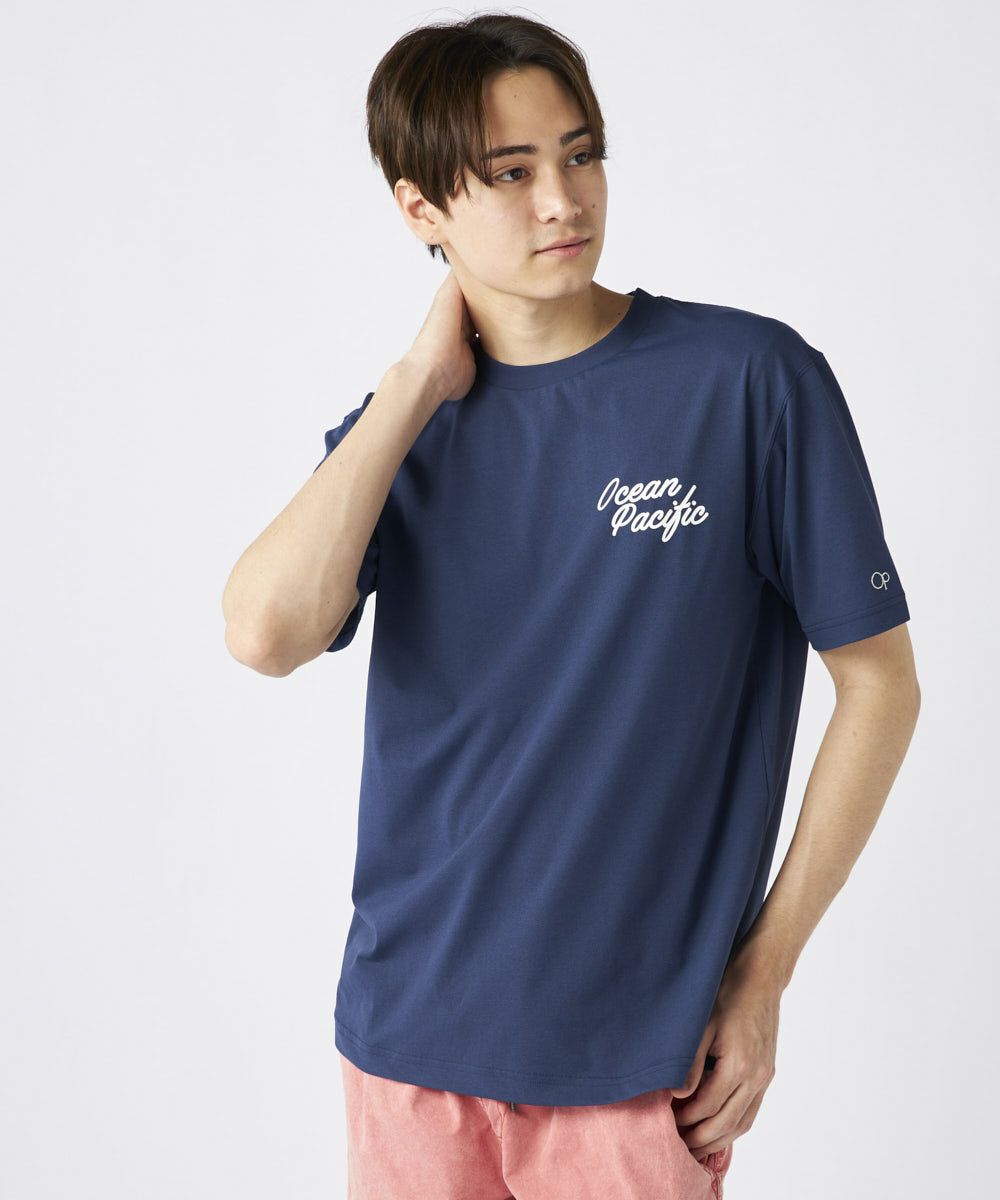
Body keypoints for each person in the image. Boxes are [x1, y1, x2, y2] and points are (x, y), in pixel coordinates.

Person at [221, 12, 921, 1198]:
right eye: (510, 173)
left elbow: (880, 684)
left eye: (580, 154)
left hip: (636, 1067)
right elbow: (262, 633)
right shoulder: (403, 434)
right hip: (405, 1049)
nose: (563, 200)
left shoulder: (749, 382)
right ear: (419, 209)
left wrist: (764, 975)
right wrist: (413, 383)